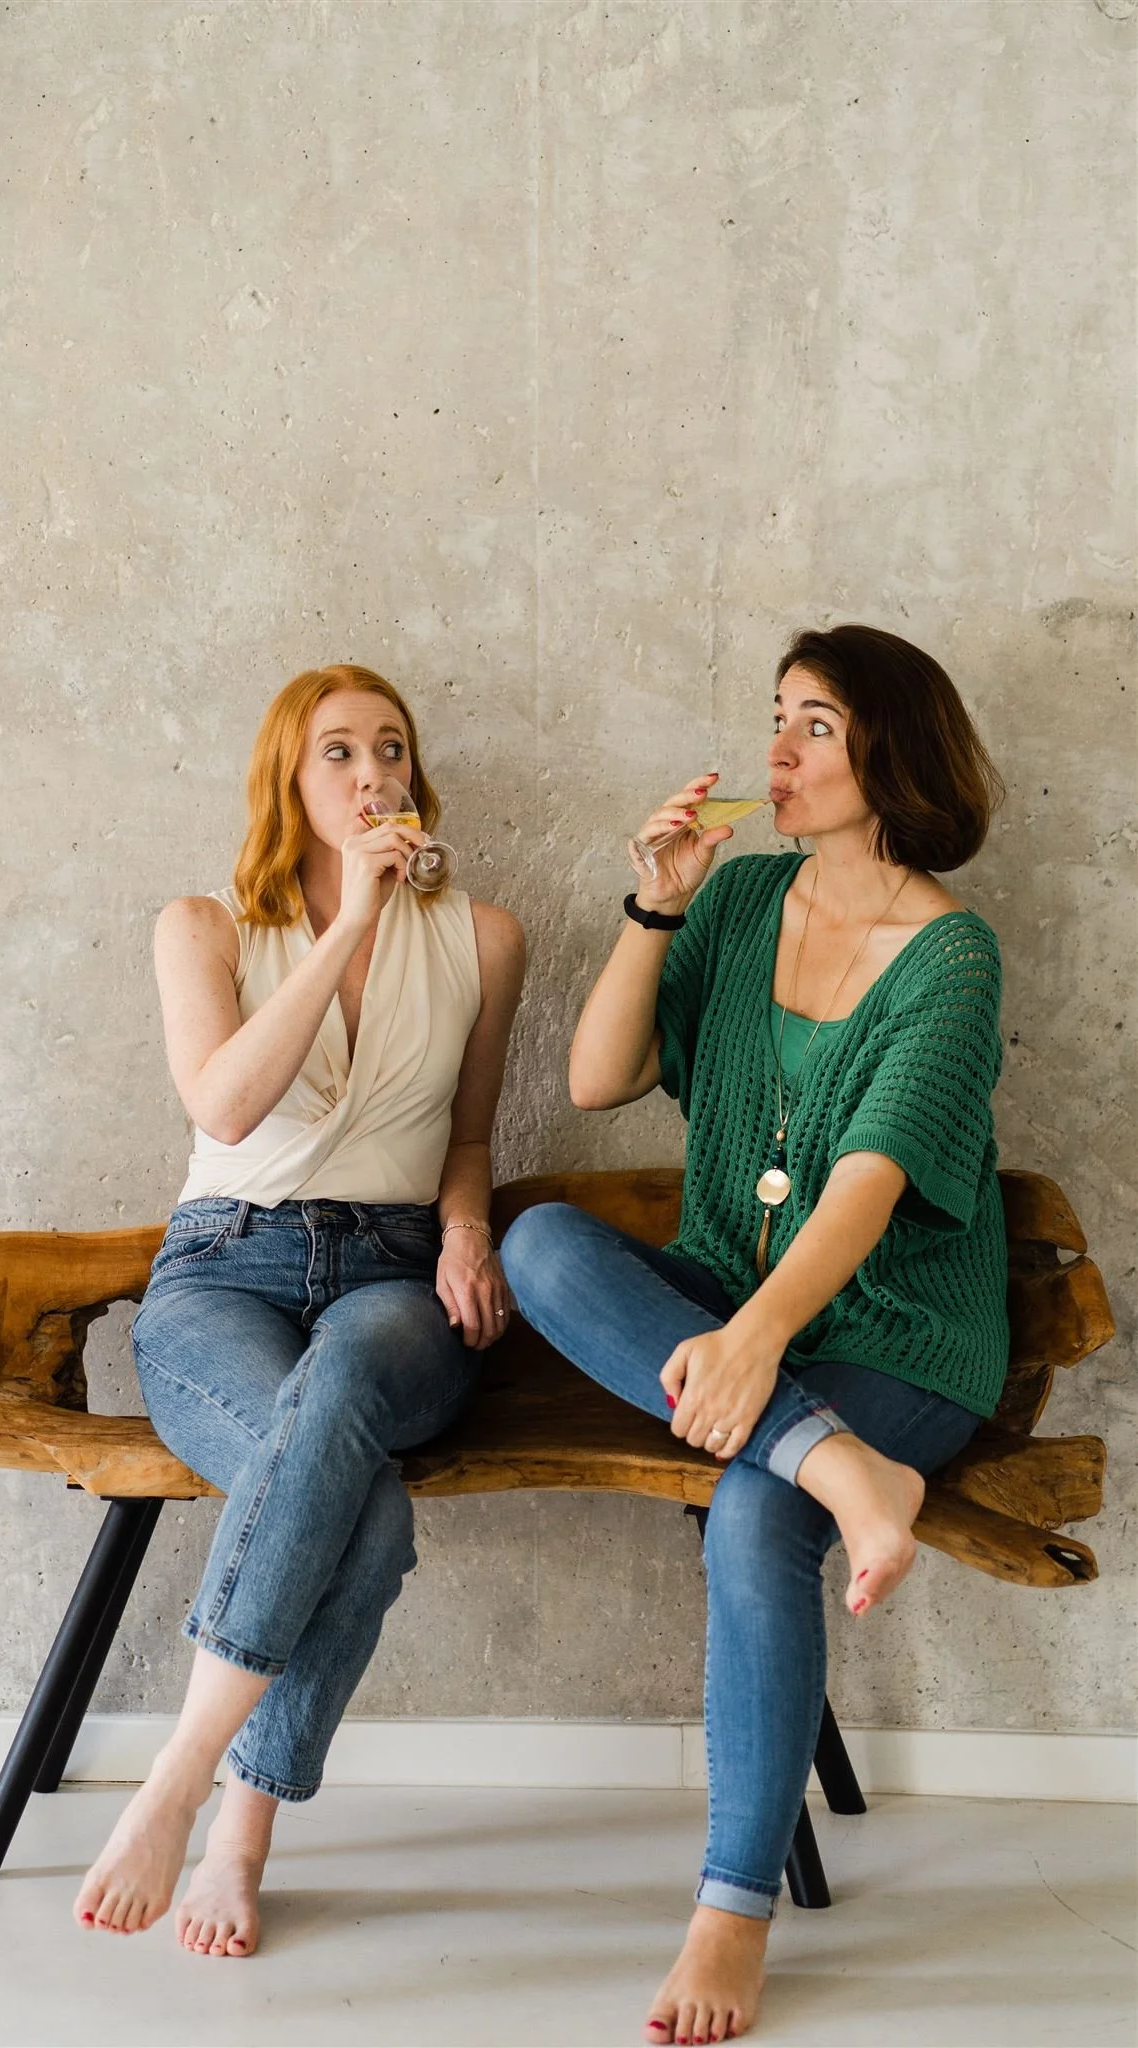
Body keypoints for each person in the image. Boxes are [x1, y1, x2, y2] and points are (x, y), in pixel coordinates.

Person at [500, 624, 1009, 2045]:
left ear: (891, 755)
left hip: (896, 1336)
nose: (775, 756)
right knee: (540, 1240)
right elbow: (600, 1081)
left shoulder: (953, 959)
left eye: (816, 729)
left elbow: (867, 1185)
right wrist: (657, 905)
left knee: (746, 1517)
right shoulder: (736, 904)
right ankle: (842, 1473)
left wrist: (755, 1347)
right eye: (775, 720)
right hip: (737, 1306)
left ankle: (732, 1911)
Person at [75, 663, 524, 1955]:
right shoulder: (204, 925)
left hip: (393, 1278)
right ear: (289, 776)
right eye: (338, 751)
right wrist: (347, 924)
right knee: (362, 1504)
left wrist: (465, 1232)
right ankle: (233, 1824)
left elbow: (473, 1133)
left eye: (391, 747)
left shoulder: (484, 936)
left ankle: (178, 1781)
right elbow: (223, 1108)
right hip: (223, 1270)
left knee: (342, 1396)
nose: (373, 771)